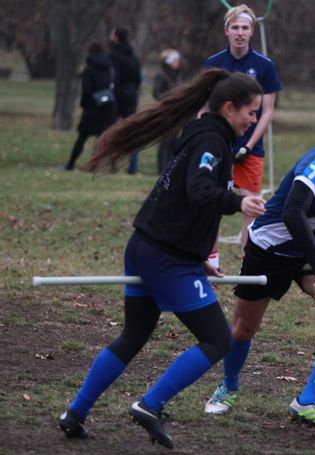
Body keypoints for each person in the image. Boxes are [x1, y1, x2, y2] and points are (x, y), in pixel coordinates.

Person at [57, 68, 266, 449]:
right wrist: (240, 201)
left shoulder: (206, 135)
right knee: (218, 340)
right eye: (250, 112)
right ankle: (149, 405)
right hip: (164, 259)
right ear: (229, 107)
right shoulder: (211, 143)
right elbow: (199, 190)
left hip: (146, 249)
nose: (254, 120)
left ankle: (75, 412)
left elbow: (184, 204)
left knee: (134, 334)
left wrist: (198, 255)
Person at [203, 105, 315, 436]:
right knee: (243, 329)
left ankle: (307, 401)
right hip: (272, 248)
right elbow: (292, 213)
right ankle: (228, 387)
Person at [205, 4, 282, 251]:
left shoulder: (264, 65)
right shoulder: (214, 62)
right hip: (219, 143)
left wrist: (248, 146)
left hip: (250, 146)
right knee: (211, 201)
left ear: (252, 32)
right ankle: (210, 258)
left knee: (252, 204)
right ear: (226, 31)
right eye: (235, 27)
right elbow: (204, 106)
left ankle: (248, 262)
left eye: (245, 28)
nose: (240, 32)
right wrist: (205, 136)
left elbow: (267, 110)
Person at [63, 43, 118, 170]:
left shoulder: (89, 69)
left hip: (92, 109)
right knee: (104, 140)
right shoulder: (110, 68)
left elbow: (86, 91)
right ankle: (111, 166)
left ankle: (71, 164)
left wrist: (84, 104)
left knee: (82, 138)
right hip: (108, 108)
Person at [109, 27, 142, 175]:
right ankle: (133, 167)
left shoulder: (114, 55)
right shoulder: (133, 57)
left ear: (116, 37)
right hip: (131, 97)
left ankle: (112, 165)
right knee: (133, 132)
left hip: (117, 97)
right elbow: (138, 79)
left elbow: (113, 77)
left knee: (112, 131)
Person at [153, 48, 182, 174]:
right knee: (164, 142)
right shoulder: (162, 75)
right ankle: (162, 169)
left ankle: (169, 168)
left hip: (175, 112)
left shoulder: (176, 75)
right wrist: (169, 100)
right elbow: (156, 93)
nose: (178, 62)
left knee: (172, 142)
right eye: (175, 60)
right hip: (166, 112)